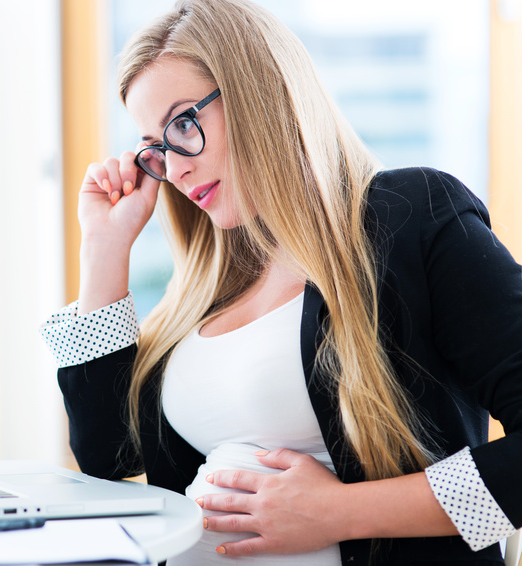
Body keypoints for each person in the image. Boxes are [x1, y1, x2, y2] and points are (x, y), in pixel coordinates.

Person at [41, 1, 522, 564]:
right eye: (156, 149)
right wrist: (103, 252)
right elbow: (105, 455)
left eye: (182, 125)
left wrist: (341, 512)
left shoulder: (410, 218)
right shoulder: (210, 285)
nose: (174, 170)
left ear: (258, 92)